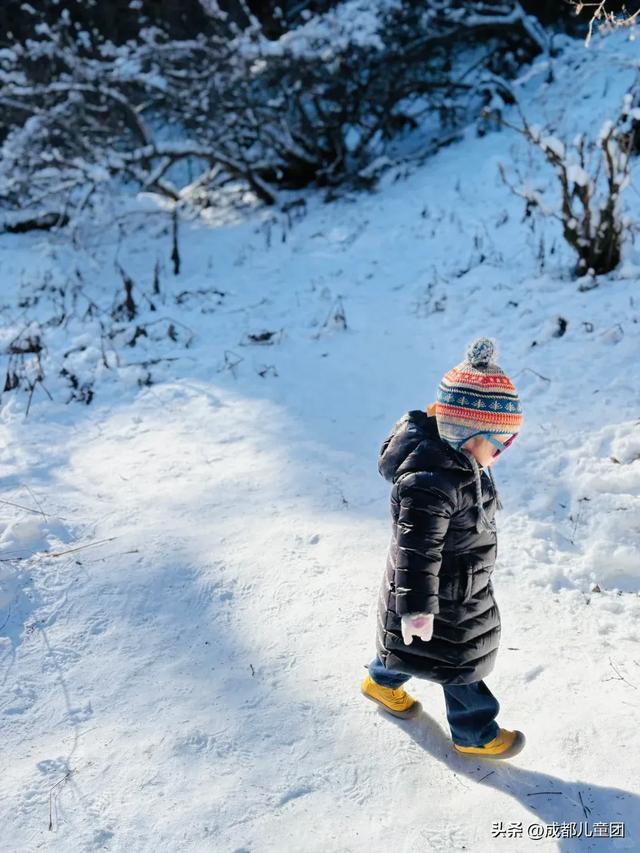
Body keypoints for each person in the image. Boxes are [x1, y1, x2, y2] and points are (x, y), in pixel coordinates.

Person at [361, 336, 526, 760]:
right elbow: (415, 552)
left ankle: (379, 683)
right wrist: (416, 609)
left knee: (410, 650)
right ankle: (474, 734)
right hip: (441, 596)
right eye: (497, 444)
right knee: (459, 663)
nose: (499, 454)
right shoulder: (430, 483)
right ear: (467, 435)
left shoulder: (456, 464)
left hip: (456, 586)